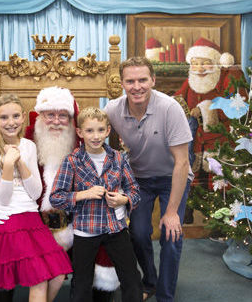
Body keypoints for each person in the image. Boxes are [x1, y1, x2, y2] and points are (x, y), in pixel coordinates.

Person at [0, 94, 72, 302]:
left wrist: (20, 162)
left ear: (23, 117)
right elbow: (3, 197)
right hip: (7, 219)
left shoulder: (29, 146)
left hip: (30, 217)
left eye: (15, 116)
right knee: (40, 279)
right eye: (3, 118)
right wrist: (7, 164)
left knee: (58, 275)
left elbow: (35, 193)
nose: (10, 122)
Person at [104, 56, 193, 302]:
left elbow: (182, 162)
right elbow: (90, 129)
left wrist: (172, 211)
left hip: (172, 177)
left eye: (143, 80)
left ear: (153, 80)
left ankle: (165, 296)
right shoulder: (113, 109)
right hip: (139, 180)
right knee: (138, 234)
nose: (137, 86)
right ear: (122, 83)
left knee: (170, 234)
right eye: (130, 81)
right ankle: (150, 281)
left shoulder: (170, 108)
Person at [25, 86, 120, 301]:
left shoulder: (84, 143)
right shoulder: (29, 142)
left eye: (63, 116)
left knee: (105, 240)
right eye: (50, 115)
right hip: (38, 223)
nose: (56, 121)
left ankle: (98, 292)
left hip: (79, 219)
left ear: (72, 121)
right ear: (41, 116)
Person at [50, 107, 143, 302]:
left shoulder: (118, 158)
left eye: (100, 130)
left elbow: (134, 190)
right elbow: (56, 197)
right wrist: (84, 194)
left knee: (132, 279)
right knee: (82, 283)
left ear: (108, 131)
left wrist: (124, 199)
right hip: (85, 230)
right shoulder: (72, 162)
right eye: (90, 131)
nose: (95, 136)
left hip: (115, 228)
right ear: (80, 133)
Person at [174, 37, 246, 192]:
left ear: (215, 61)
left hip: (221, 141)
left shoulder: (230, 75)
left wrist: (204, 109)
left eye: (204, 62)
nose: (199, 69)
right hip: (196, 141)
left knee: (219, 189)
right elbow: (178, 97)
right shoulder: (192, 80)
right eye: (195, 63)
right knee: (192, 188)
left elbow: (236, 106)